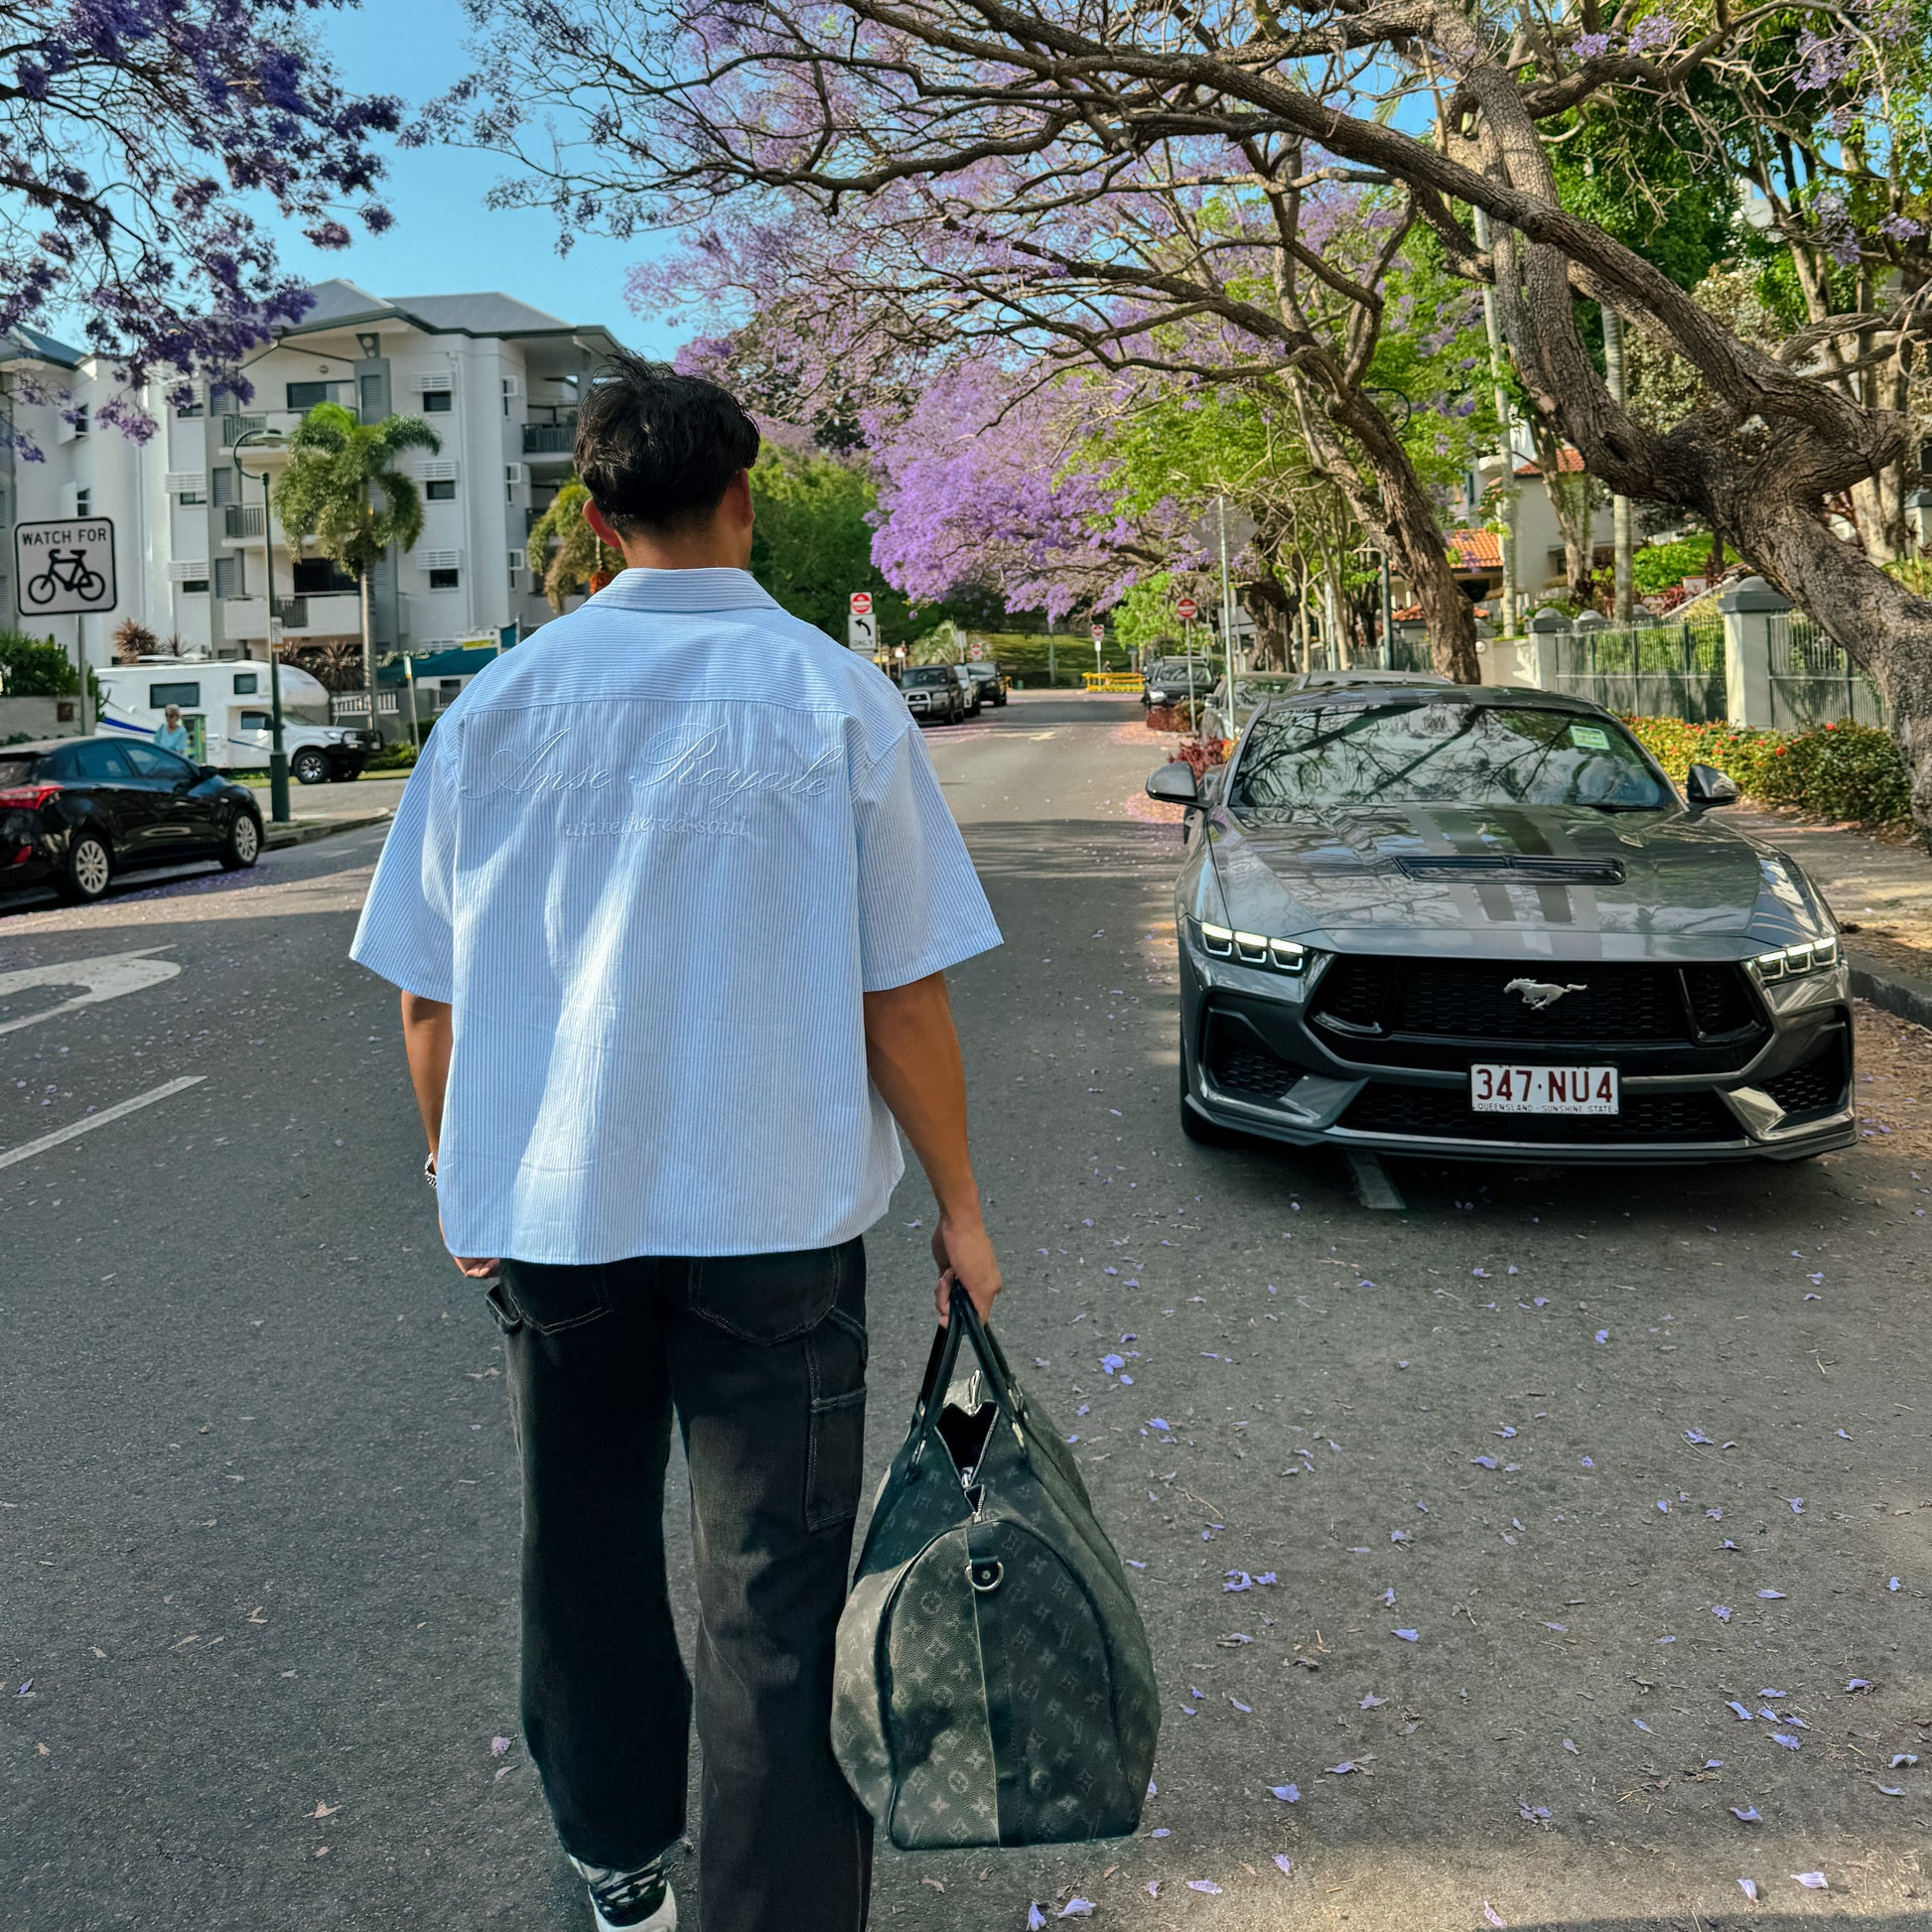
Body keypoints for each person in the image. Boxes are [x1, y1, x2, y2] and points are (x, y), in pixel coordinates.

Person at [349, 352, 1003, 1932]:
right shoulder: (834, 696)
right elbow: (896, 991)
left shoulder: (490, 709)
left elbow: (428, 1001)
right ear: (744, 498)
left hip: (558, 1212)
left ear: (591, 515)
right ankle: (773, 1907)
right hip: (774, 1214)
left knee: (579, 1550)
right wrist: (962, 1208)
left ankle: (615, 1858)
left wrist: (454, 1170)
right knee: (772, 1586)